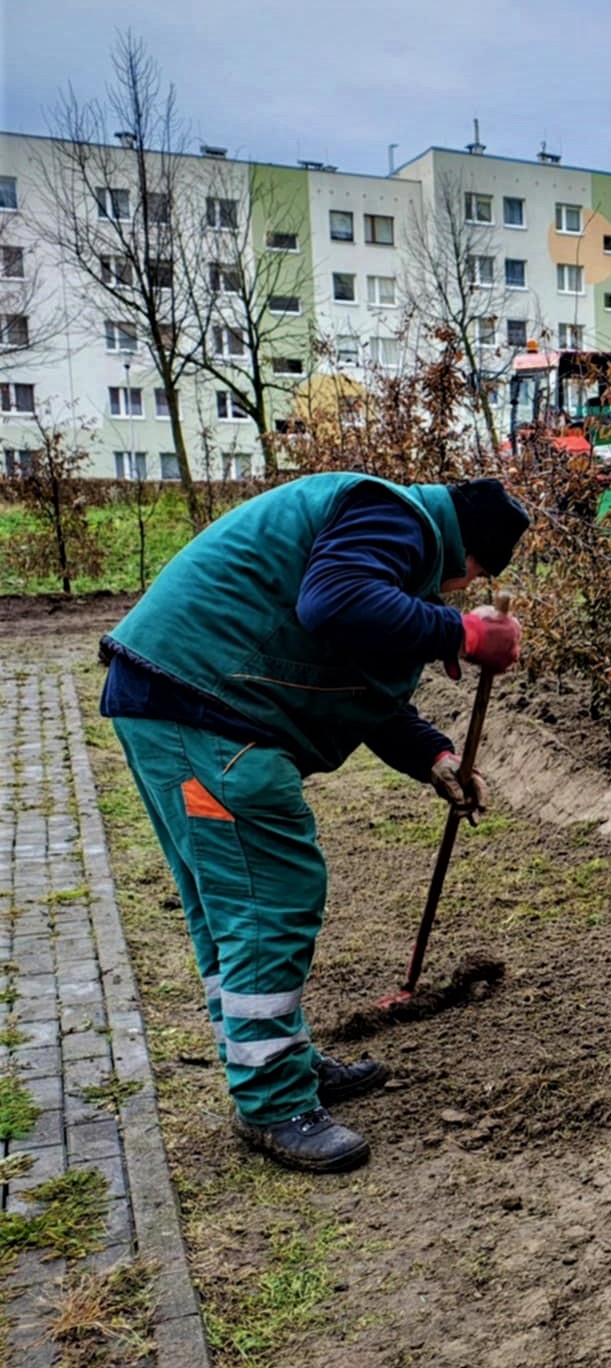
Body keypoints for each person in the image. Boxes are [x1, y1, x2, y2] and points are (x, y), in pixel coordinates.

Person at [100, 473, 529, 1173]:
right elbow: (336, 606)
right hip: (204, 717)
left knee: (231, 905)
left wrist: (435, 757)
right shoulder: (394, 518)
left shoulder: (385, 538)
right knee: (268, 898)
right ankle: (272, 1103)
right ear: (470, 555)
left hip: (181, 704)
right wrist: (464, 631)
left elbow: (364, 685)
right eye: (473, 580)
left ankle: (279, 1061)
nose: (458, 593)